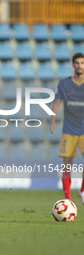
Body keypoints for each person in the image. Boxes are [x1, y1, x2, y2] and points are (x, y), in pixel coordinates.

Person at [50, 52, 84, 204]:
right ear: (73, 65)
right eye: (77, 63)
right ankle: (68, 199)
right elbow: (56, 103)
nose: (80, 66)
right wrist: (52, 121)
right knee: (67, 165)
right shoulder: (64, 84)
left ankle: (82, 190)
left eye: (82, 63)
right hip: (69, 130)